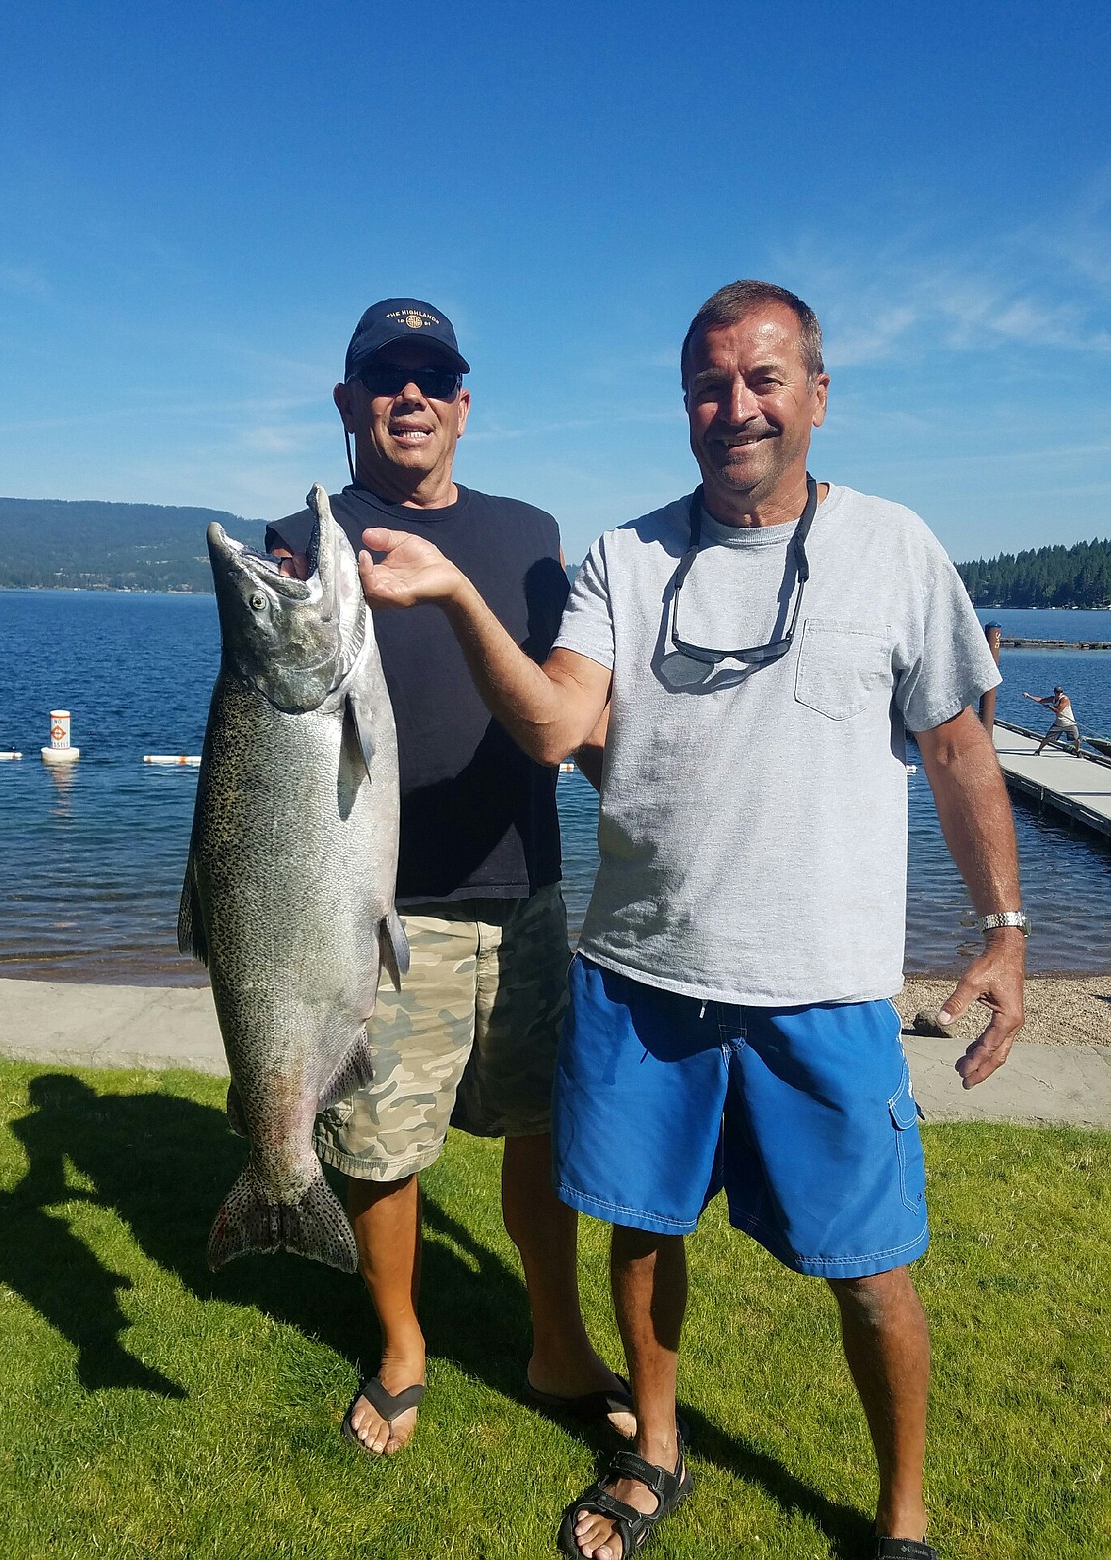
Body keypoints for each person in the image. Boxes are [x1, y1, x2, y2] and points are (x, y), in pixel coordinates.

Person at [352, 281, 1027, 1560]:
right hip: (640, 978)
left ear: (817, 395)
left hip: (822, 989)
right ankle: (656, 1453)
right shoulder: (625, 556)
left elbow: (956, 747)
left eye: (764, 380)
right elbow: (557, 726)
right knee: (642, 1233)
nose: (737, 408)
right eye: (710, 386)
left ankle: (903, 1519)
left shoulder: (895, 549)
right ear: (684, 408)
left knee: (873, 1270)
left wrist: (1003, 925)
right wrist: (450, 593)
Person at [264, 298, 632, 1457]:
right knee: (380, 1145)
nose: (409, 395)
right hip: (377, 909)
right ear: (348, 404)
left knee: (539, 1129)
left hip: (524, 890)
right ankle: (402, 1341)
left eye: (433, 378)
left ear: (465, 407)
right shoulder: (306, 538)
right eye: (385, 377)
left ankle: (556, 1338)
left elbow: (567, 696)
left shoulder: (531, 533)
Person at [1025, 685, 1082, 756]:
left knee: (1076, 738)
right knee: (1047, 738)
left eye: (1061, 692)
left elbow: (1058, 710)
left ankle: (1078, 751)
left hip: (1069, 723)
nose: (1059, 693)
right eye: (1058, 692)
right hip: (1058, 723)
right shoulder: (1053, 699)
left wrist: (1049, 707)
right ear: (1054, 692)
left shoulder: (1065, 699)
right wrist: (1029, 696)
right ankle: (1038, 751)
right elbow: (1041, 700)